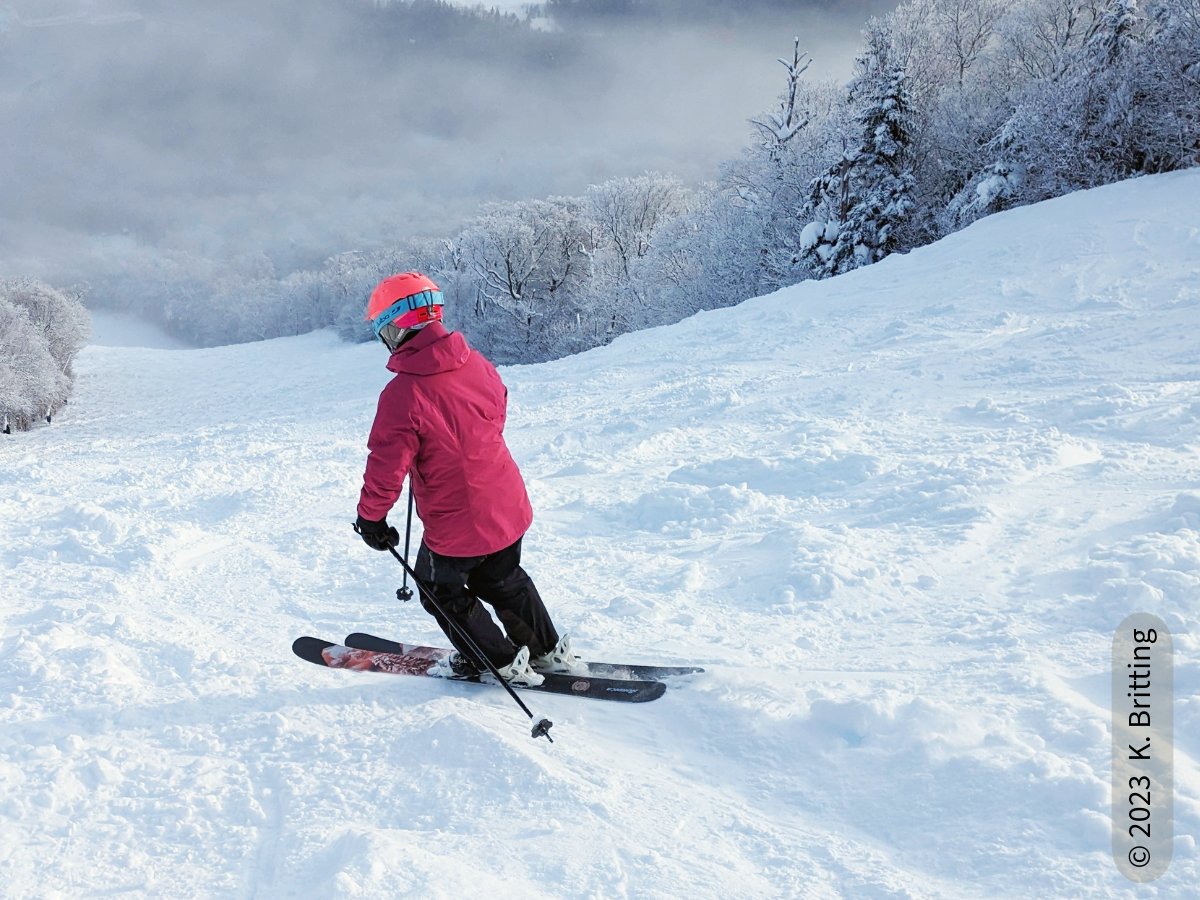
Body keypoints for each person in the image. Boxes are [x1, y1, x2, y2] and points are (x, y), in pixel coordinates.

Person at [353, 272, 581, 686]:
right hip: (506, 501)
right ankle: (547, 652)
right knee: (503, 578)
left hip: (458, 520)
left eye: (384, 329)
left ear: (399, 325)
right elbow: (496, 412)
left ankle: (497, 660)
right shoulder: (476, 362)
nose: (384, 340)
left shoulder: (403, 394)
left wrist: (371, 519)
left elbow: (386, 465)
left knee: (440, 591)